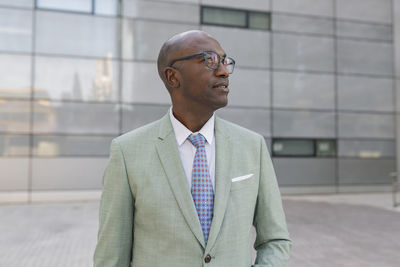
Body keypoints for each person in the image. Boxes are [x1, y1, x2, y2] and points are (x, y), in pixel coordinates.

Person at [93, 30, 291, 267]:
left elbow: (275, 240)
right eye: (209, 60)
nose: (223, 71)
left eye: (225, 61)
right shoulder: (127, 152)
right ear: (172, 76)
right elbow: (111, 256)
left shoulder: (252, 146)